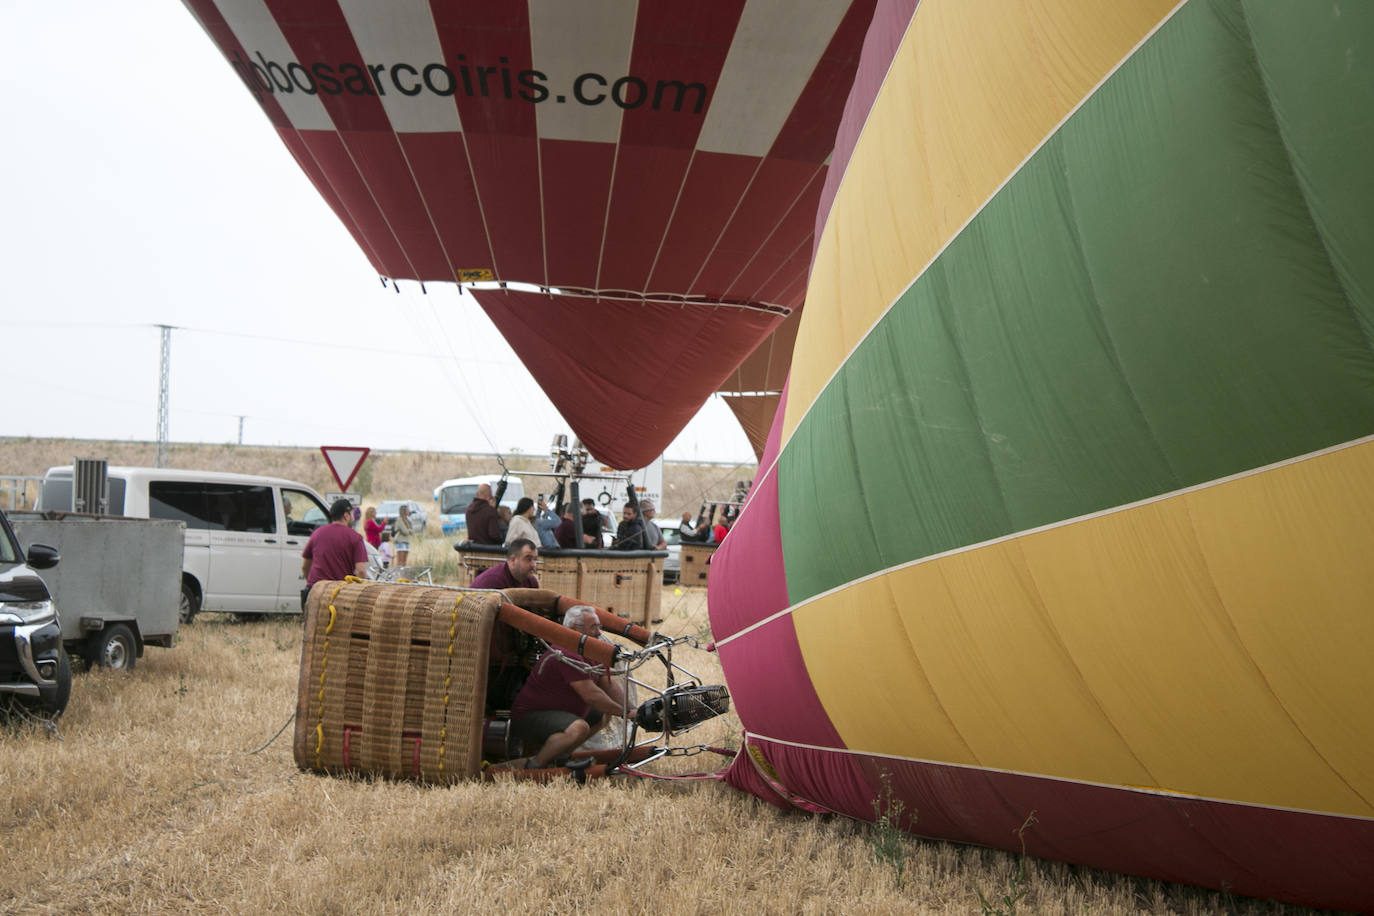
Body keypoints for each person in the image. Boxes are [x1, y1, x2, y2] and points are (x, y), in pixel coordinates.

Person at [509, 605, 628, 768]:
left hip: (561, 713)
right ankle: (535, 766)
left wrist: (630, 708)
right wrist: (626, 712)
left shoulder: (591, 651)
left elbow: (607, 683)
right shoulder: (566, 654)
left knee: (603, 714)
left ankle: (561, 756)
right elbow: (592, 696)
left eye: (599, 626)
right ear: (573, 630)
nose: (599, 632)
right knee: (579, 728)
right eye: (593, 627)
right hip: (528, 717)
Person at [300, 498, 368, 610]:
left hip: (314, 592)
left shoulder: (317, 533)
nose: (353, 517)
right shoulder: (355, 537)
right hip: (338, 594)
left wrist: (313, 585)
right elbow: (361, 570)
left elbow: (305, 567)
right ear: (346, 516)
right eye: (352, 513)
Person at [471, 538, 540, 590]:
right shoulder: (493, 581)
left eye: (535, 559)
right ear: (513, 560)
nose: (533, 564)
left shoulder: (531, 582)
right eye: (528, 559)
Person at [393, 503, 415, 568]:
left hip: (406, 541)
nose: (409, 511)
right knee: (400, 561)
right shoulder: (399, 520)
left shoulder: (407, 520)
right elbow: (405, 531)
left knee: (404, 561)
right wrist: (409, 530)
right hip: (400, 541)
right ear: (404, 511)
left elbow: (412, 531)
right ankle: (398, 575)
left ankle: (403, 575)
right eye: (407, 510)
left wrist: (409, 530)